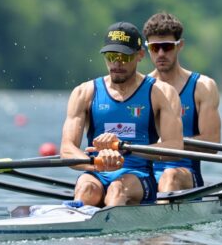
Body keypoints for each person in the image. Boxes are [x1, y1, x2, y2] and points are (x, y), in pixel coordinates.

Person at [60, 21, 183, 207]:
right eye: (111, 56)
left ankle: (109, 231)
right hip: (97, 171)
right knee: (86, 190)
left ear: (140, 55)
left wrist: (125, 148)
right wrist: (97, 163)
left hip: (138, 174)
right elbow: (67, 150)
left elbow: (175, 148)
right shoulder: (84, 93)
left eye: (124, 57)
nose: (116, 63)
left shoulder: (161, 93)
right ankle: (81, 228)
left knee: (116, 191)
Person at [143, 12, 221, 192]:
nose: (161, 53)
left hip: (184, 172)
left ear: (180, 46)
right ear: (147, 49)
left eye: (167, 47)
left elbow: (212, 144)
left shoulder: (203, 87)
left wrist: (171, 143)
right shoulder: (140, 88)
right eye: (155, 48)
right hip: (142, 172)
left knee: (170, 176)